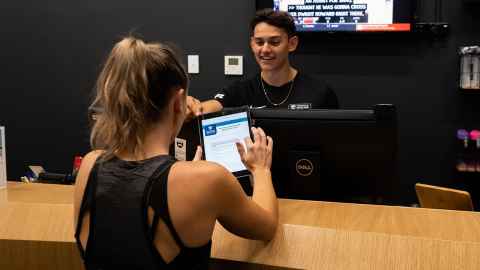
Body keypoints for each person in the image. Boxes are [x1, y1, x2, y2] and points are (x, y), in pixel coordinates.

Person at [73, 37, 278, 270]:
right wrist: (260, 169)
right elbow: (267, 226)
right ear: (179, 102)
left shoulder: (90, 166)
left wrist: (184, 173)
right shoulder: (207, 178)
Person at [186, 8, 339, 117]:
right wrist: (190, 107)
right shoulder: (240, 91)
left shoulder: (320, 92)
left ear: (292, 44)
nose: (265, 49)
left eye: (274, 42)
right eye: (259, 42)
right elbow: (207, 108)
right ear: (252, 44)